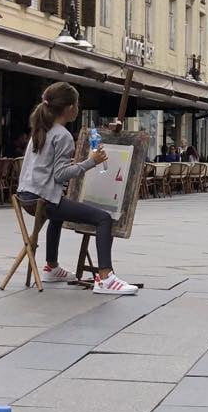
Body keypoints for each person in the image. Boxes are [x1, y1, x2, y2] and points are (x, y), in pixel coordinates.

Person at [17, 83, 139, 295]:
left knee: (57, 217)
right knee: (104, 218)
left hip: (26, 198)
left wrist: (75, 163)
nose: (78, 108)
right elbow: (60, 175)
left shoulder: (42, 129)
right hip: (44, 200)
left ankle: (51, 267)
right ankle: (105, 277)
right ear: (69, 108)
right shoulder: (62, 135)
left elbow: (46, 166)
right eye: (77, 104)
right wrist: (91, 162)